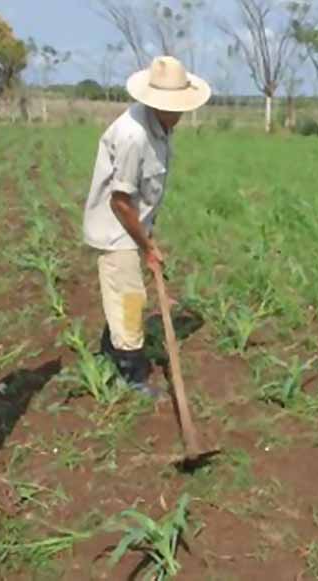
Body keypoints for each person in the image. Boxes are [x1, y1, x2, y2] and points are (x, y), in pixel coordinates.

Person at [82, 56, 211, 394]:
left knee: (128, 293)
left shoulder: (162, 126)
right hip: (116, 227)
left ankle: (111, 349)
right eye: (177, 106)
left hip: (132, 223)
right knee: (129, 297)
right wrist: (147, 246)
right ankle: (129, 373)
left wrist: (147, 236)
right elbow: (120, 201)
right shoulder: (133, 136)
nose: (181, 113)